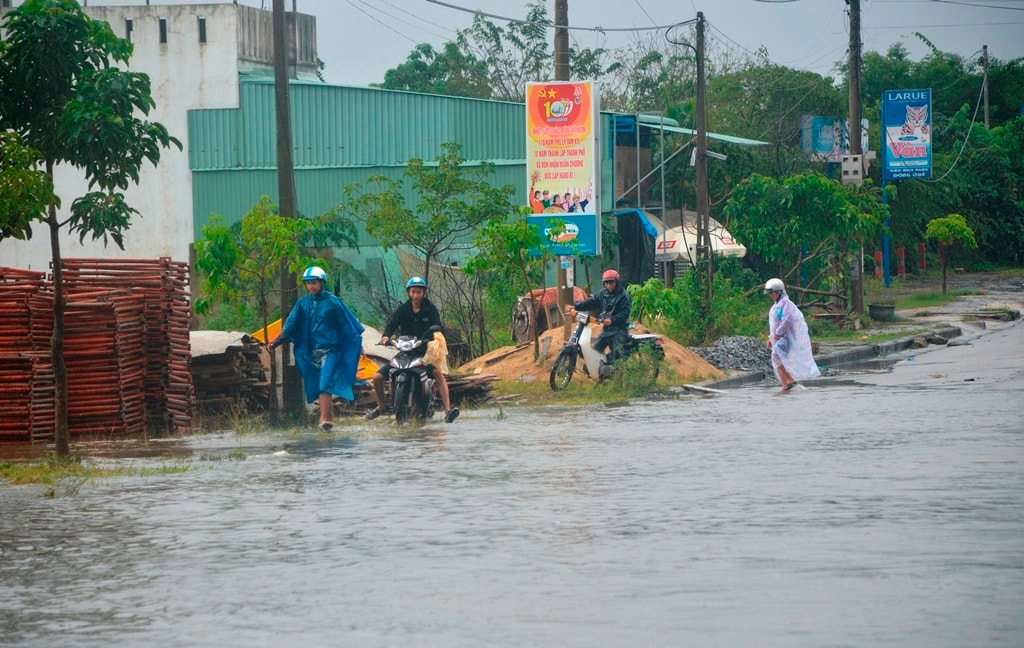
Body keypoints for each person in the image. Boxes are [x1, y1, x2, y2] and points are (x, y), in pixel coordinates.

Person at [268, 266, 365, 430]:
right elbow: (290, 325)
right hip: (311, 352)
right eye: (308, 284)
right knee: (317, 384)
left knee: (324, 383)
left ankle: (322, 420)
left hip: (332, 351)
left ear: (322, 283)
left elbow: (346, 325)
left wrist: (357, 345)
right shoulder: (302, 304)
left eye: (314, 283)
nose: (311, 287)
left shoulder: (334, 302)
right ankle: (330, 421)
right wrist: (275, 342)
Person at [366, 276, 459, 423]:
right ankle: (382, 405)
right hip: (404, 352)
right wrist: (385, 337)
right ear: (409, 293)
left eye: (419, 292)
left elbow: (438, 326)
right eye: (413, 292)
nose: (416, 295)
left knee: (438, 375)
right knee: (377, 378)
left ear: (424, 293)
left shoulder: (431, 309)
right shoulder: (403, 309)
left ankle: (448, 411)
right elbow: (392, 324)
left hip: (424, 354)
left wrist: (433, 336)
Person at [764, 277, 821, 392]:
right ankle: (786, 384)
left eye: (772, 293)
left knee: (776, 357)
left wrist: (778, 334)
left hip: (786, 338)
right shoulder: (776, 306)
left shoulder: (786, 303)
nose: (771, 295)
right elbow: (774, 324)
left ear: (779, 292)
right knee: (777, 359)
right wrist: (771, 338)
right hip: (780, 338)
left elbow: (788, 320)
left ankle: (789, 381)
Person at [571, 269, 632, 361]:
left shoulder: (623, 296)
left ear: (616, 282)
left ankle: (621, 373)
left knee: (618, 355)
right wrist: (575, 306)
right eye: (606, 283)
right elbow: (590, 302)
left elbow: (625, 313)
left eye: (611, 282)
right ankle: (601, 370)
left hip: (620, 329)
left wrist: (612, 319)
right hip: (607, 329)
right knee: (595, 351)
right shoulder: (602, 294)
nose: (609, 285)